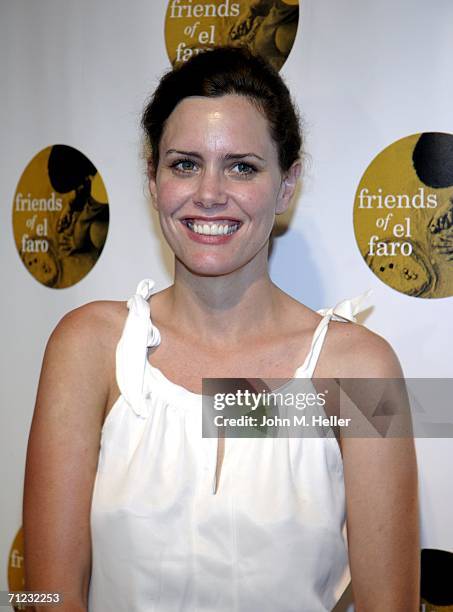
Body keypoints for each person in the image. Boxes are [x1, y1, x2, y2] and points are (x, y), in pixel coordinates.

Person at [23, 47, 419, 611]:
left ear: (287, 185)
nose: (209, 193)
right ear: (153, 178)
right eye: (184, 163)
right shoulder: (88, 347)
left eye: (242, 166)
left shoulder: (361, 370)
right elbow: (42, 595)